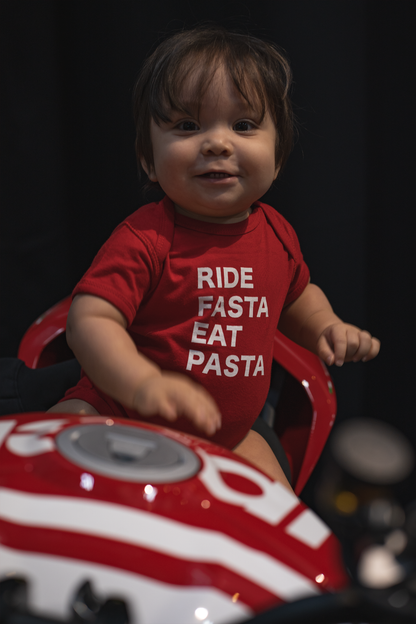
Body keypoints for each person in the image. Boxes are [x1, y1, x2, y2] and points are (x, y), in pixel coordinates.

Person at [48, 27, 380, 490]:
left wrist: (326, 326)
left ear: (278, 157)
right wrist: (142, 384)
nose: (218, 143)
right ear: (148, 159)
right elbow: (89, 320)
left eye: (243, 126)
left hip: (229, 435)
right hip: (118, 412)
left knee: (278, 511)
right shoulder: (147, 236)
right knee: (51, 452)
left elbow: (297, 295)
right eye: (188, 126)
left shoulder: (278, 234)